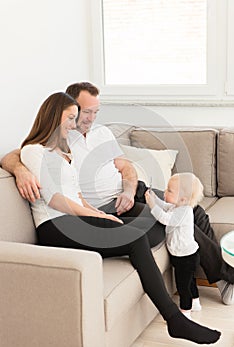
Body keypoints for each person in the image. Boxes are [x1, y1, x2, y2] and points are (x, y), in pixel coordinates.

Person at [1, 81, 234, 305]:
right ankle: (224, 276)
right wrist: (20, 170)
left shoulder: (102, 133)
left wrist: (130, 190)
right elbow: (18, 153)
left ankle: (213, 280)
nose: (91, 118)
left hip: (129, 193)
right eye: (86, 112)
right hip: (103, 206)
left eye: (96, 112)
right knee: (178, 219)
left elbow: (125, 167)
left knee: (195, 210)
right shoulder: (60, 139)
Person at [145, 172, 204, 320]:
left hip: (186, 257)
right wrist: (153, 198)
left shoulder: (184, 212)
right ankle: (195, 303)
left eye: (169, 191)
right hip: (185, 254)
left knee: (183, 286)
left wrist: (151, 204)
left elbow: (165, 219)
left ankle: (185, 314)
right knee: (190, 281)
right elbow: (165, 205)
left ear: (183, 198)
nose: (165, 192)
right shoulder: (176, 206)